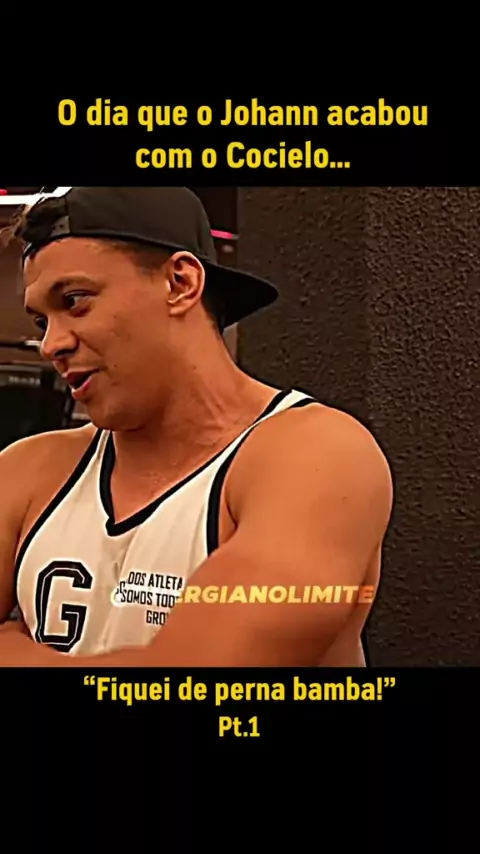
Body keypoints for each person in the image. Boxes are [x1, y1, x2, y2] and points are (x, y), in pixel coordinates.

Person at [0, 187, 392, 667]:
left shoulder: (317, 455)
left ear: (180, 283)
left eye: (75, 301)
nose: (50, 344)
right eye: (42, 321)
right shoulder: (28, 469)